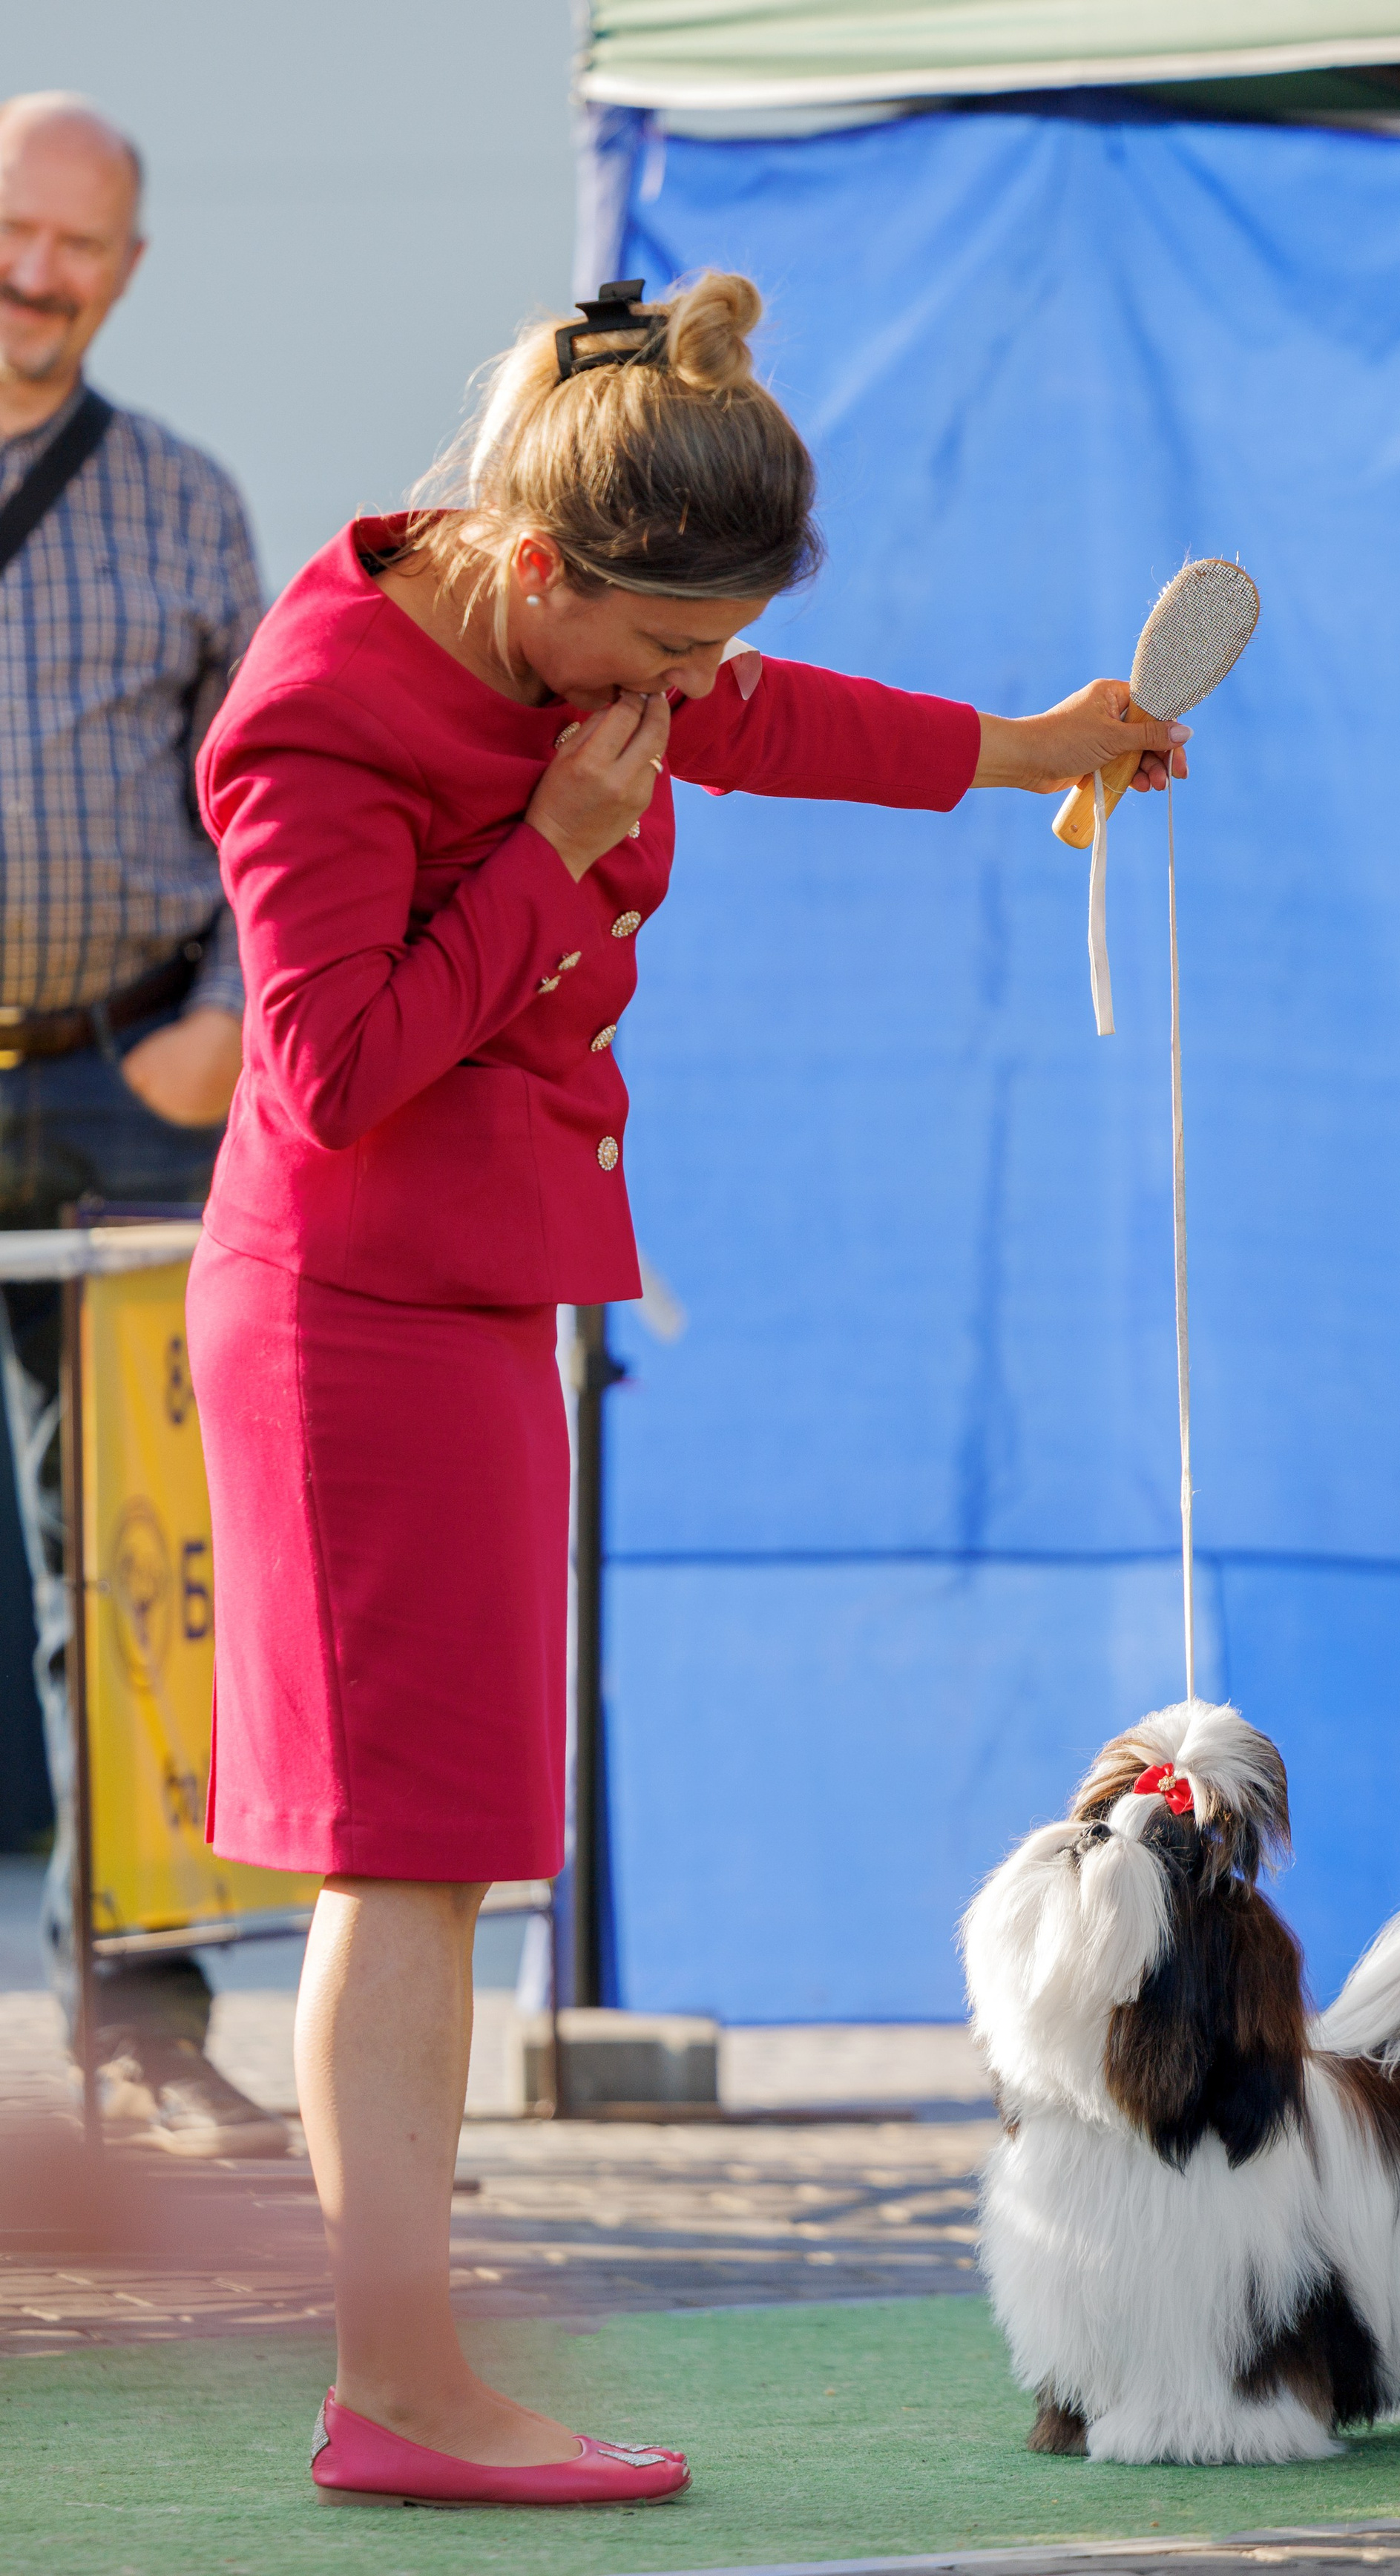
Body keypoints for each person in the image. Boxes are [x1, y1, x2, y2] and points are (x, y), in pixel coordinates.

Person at [190, 268, 1189, 2506]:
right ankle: (398, 2391)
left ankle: (399, 2381)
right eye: (657, 649)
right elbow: (330, 1071)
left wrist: (1041, 750)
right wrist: (550, 857)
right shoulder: (321, 717)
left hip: (465, 1298)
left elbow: (770, 717)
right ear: (540, 563)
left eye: (705, 650)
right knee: (406, 1867)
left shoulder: (586, 648)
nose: (683, 694)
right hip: (349, 1318)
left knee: (434, 1862)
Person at [0, 93, 283, 2155]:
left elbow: (279, 808)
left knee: (132, 1573)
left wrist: (219, 1025)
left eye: (77, 244)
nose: (36, 274)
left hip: (125, 1090)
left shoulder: (185, 504)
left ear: (129, 268)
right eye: (14, 230)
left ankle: (145, 2034)